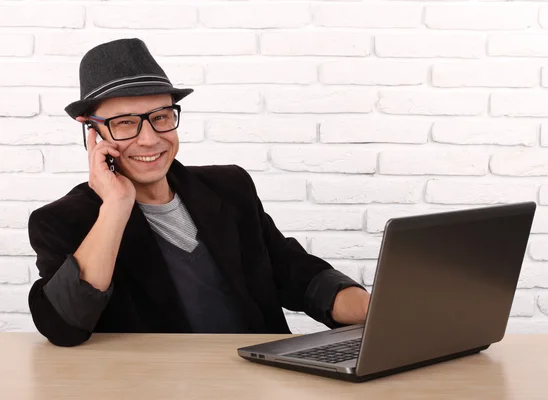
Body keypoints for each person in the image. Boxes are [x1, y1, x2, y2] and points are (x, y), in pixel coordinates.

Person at [27, 38, 370, 347]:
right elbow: (64, 326)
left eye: (161, 117)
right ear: (93, 131)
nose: (149, 138)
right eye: (125, 122)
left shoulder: (230, 188)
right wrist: (116, 206)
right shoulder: (62, 222)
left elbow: (297, 274)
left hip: (259, 380)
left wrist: (377, 312)